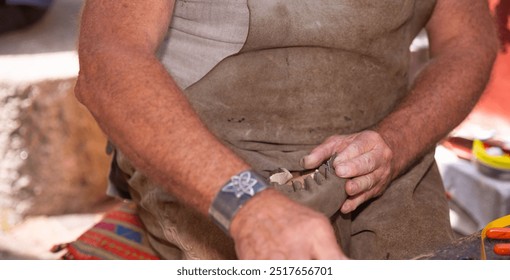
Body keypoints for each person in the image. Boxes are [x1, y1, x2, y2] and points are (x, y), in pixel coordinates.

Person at [75, 0, 498, 260]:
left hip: (382, 155)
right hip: (209, 160)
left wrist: (398, 140)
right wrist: (249, 207)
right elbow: (109, 61)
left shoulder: (390, 148)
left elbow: (466, 43)